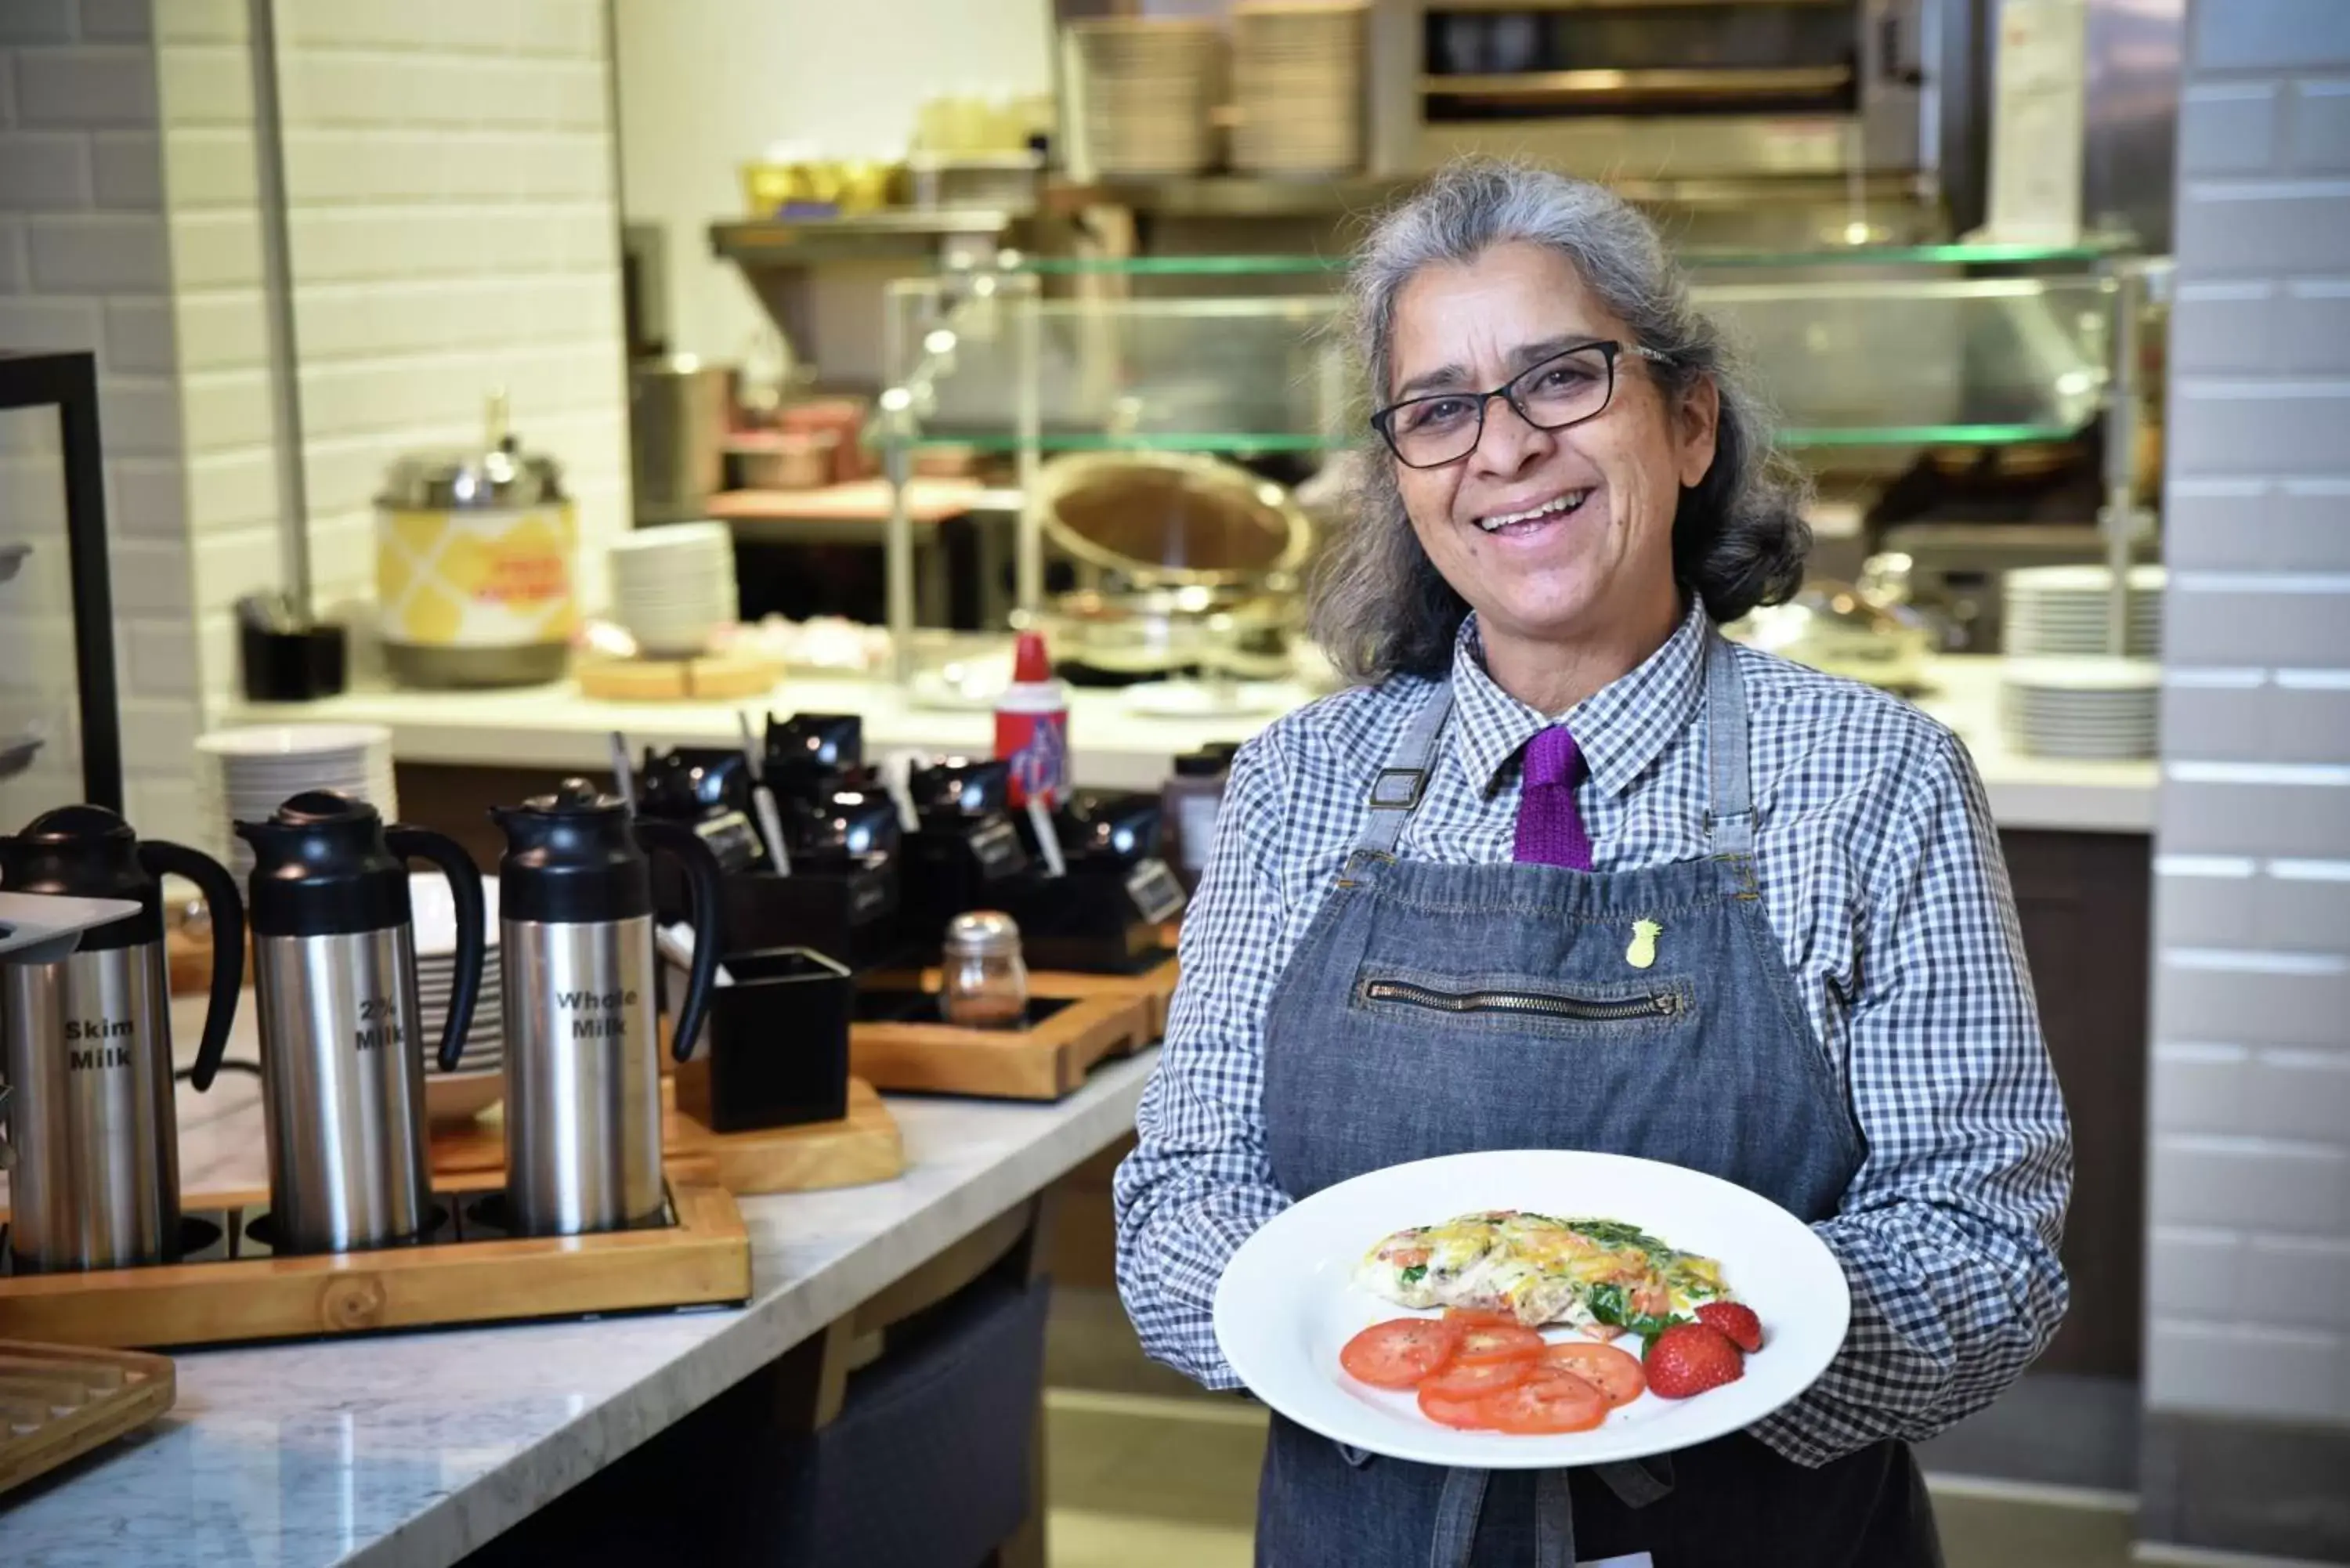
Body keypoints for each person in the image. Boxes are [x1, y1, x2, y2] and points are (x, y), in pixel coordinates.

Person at [1112, 160, 2072, 1567]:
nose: (1502, 449)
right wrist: (1373, 1339)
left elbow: (1987, 1242)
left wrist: (1686, 1343)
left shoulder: (1877, 780)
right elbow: (1179, 1196)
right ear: (1402, 477)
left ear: (1689, 422)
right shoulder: (1294, 784)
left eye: (1562, 378)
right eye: (1439, 409)